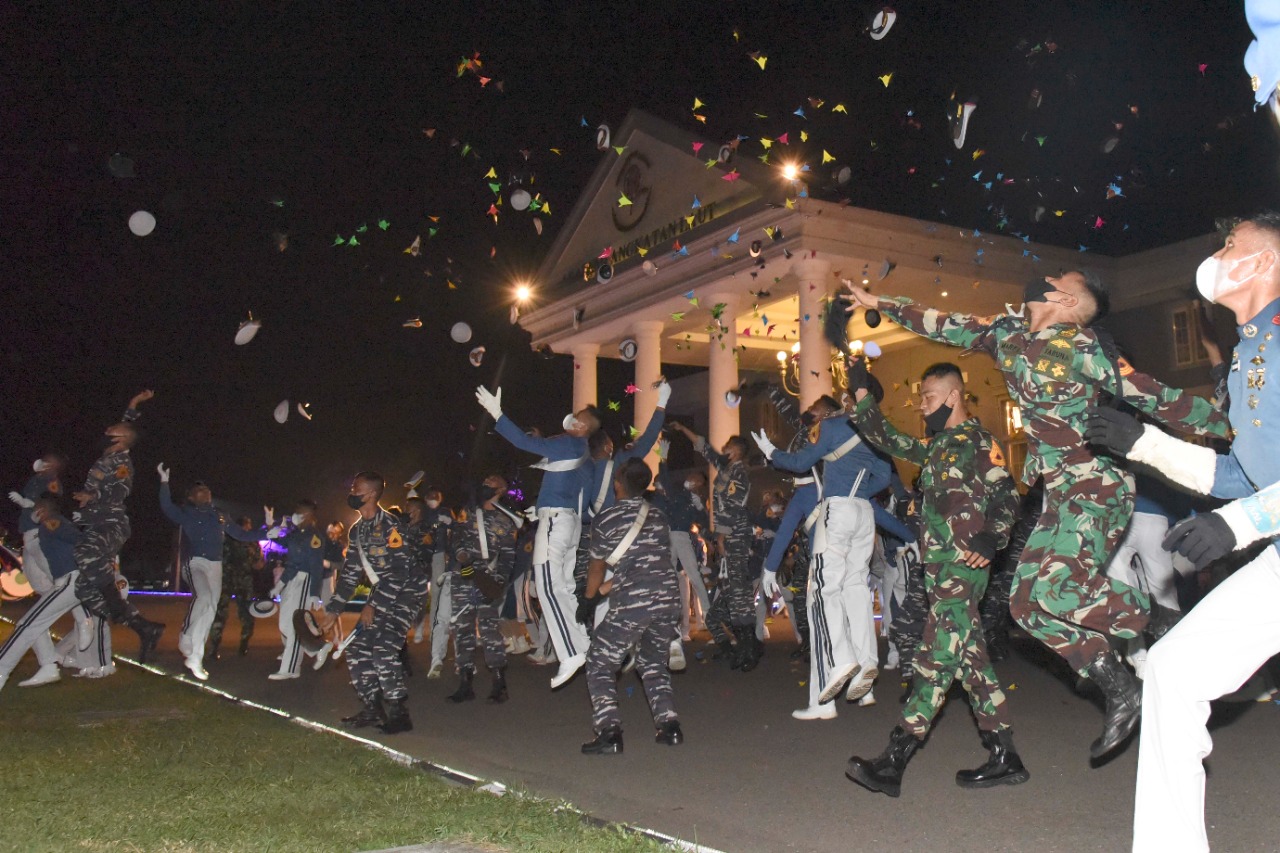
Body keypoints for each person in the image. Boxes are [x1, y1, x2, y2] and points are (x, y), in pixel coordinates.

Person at [843, 273, 1230, 759]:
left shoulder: (1086, 348)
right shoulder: (1009, 334)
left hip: (1097, 483)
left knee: (1058, 587)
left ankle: (1162, 621)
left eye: (1057, 279)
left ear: (1066, 300)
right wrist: (879, 301)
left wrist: (1231, 425)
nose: (1042, 278)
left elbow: (1156, 397)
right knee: (1026, 605)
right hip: (1059, 491)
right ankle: (1119, 685)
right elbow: (944, 323)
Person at [1082, 212, 1280, 851]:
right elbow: (1241, 473)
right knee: (1171, 668)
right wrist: (1147, 443)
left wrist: (1239, 524)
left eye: (1231, 245)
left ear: (1267, 262)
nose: (1219, 254)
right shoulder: (1252, 347)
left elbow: (1245, 501)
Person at [845, 362, 1025, 797]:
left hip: (965, 565)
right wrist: (864, 396)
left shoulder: (981, 443)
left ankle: (895, 759)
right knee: (971, 660)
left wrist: (992, 538)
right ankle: (1005, 754)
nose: (921, 406)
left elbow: (1008, 498)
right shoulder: (937, 446)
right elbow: (888, 438)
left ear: (953, 396)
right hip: (939, 567)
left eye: (927, 397)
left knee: (936, 658)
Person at [753, 394, 891, 718]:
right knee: (856, 595)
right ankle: (865, 667)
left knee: (823, 601)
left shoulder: (831, 429)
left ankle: (834, 681)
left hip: (838, 515)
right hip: (863, 512)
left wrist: (772, 452)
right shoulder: (876, 431)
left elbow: (800, 464)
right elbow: (884, 478)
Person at [476, 385, 600, 688]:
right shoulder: (584, 455)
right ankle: (582, 642)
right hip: (567, 521)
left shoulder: (570, 443)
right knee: (564, 586)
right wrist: (539, 508)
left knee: (546, 585)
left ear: (582, 426)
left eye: (576, 417)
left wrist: (497, 413)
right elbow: (579, 493)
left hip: (556, 521)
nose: (570, 419)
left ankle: (569, 652)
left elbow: (522, 442)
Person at [578, 459, 683, 754]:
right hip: (667, 596)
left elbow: (597, 567)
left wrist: (588, 600)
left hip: (634, 601)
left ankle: (609, 731)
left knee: (599, 660)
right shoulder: (658, 515)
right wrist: (604, 592)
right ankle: (669, 726)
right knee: (652, 663)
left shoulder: (607, 518)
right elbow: (646, 562)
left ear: (618, 484)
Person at [314, 473, 428, 734]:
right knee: (356, 649)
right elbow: (351, 573)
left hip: (408, 592)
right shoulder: (358, 530)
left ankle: (399, 712)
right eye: (353, 486)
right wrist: (333, 610)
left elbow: (400, 572)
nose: (352, 491)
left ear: (373, 494)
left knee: (383, 648)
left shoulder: (391, 526)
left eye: (358, 488)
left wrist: (372, 605)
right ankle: (372, 707)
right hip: (385, 592)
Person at [71, 391, 165, 663]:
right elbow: (127, 425)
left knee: (84, 553)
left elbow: (120, 493)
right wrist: (133, 405)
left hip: (111, 524)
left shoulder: (122, 463)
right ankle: (142, 626)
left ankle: (117, 605)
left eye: (113, 430)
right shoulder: (108, 455)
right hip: (96, 523)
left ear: (121, 439)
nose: (107, 430)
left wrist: (93, 496)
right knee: (85, 590)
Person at [157, 467, 268, 680]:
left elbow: (241, 535)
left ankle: (195, 658)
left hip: (215, 565)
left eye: (207, 490)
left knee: (210, 610)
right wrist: (164, 482)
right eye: (200, 491)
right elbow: (166, 506)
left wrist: (266, 531)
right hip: (195, 563)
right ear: (191, 497)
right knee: (205, 597)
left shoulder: (220, 516)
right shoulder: (186, 513)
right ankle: (187, 635)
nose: (205, 493)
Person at [670, 423, 758, 670]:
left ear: (737, 451)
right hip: (727, 535)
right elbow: (703, 447)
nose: (723, 447)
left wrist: (723, 535)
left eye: (728, 445)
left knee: (739, 591)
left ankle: (748, 650)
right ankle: (737, 647)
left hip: (736, 535)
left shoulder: (739, 472)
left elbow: (736, 503)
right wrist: (682, 428)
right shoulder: (726, 467)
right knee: (732, 593)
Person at [445, 474, 519, 704]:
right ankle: (465, 682)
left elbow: (508, 556)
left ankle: (499, 683)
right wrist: (460, 555)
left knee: (489, 630)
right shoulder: (468, 511)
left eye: (490, 484)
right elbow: (455, 537)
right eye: (483, 482)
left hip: (488, 579)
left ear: (502, 489)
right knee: (463, 629)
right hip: (463, 575)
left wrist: (498, 582)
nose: (484, 486)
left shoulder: (507, 520)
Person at [0, 497, 85, 691]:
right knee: (32, 624)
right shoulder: (46, 530)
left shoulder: (51, 522)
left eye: (36, 510)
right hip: (67, 583)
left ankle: (2, 671)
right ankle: (48, 667)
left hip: (70, 581)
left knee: (26, 625)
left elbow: (79, 539)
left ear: (42, 511)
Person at [5, 452, 70, 685]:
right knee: (41, 598)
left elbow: (53, 503)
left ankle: (84, 628)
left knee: (63, 584)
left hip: (41, 537)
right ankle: (49, 663)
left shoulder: (50, 481)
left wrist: (28, 503)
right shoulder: (34, 480)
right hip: (28, 539)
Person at [265, 500, 330, 679]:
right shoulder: (297, 534)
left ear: (308, 515)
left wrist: (314, 593)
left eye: (299, 512)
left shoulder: (315, 537)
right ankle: (318, 646)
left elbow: (316, 567)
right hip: (291, 579)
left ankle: (290, 668)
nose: (295, 515)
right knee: (284, 624)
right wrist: (271, 525)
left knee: (294, 624)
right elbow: (281, 541)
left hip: (303, 580)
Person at [208, 515, 263, 659]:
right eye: (248, 525)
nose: (250, 528)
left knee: (224, 613)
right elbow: (258, 564)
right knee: (239, 613)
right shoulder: (248, 541)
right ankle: (240, 645)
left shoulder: (226, 538)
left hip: (231, 580)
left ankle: (217, 647)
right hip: (235, 580)